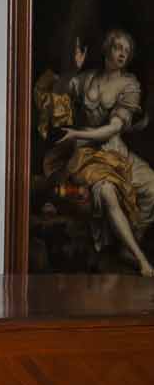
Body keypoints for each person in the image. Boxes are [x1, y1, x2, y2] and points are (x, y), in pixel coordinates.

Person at [44, 28, 154, 277]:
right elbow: (59, 92)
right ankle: (139, 258)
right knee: (107, 192)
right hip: (86, 155)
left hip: (117, 153)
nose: (122, 54)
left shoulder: (130, 84)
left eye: (127, 51)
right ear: (107, 49)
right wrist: (73, 70)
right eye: (118, 48)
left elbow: (113, 128)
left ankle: (130, 239)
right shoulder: (87, 79)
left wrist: (76, 133)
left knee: (152, 187)